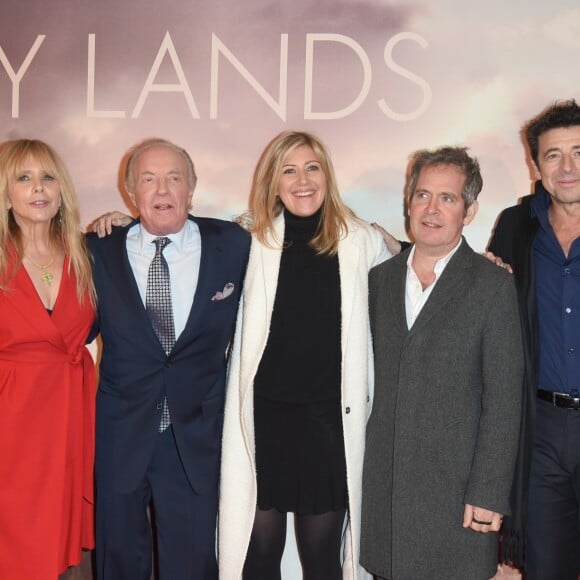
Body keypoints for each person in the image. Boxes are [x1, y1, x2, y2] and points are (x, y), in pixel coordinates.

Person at [217, 130, 390, 580]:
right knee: (258, 554)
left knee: (321, 559)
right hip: (264, 420)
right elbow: (186, 239)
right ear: (272, 182)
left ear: (327, 176)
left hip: (328, 425)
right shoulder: (248, 239)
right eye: (288, 170)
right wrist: (124, 221)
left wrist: (489, 262)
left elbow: (421, 269)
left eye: (312, 167)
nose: (302, 180)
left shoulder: (361, 240)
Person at [86, 138, 250, 580]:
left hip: (195, 437)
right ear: (131, 192)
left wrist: (383, 240)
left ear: (192, 189)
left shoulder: (233, 245)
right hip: (121, 434)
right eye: (149, 180)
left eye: (174, 178)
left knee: (192, 566)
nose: (162, 191)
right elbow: (74, 330)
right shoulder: (97, 251)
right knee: (117, 563)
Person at [360, 146, 524, 580]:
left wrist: (489, 490)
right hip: (386, 496)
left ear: (469, 211)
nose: (431, 209)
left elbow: (504, 399)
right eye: (422, 195)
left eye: (447, 199)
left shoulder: (492, 285)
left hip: (458, 499)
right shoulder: (379, 280)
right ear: (408, 202)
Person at [488, 99, 580, 580]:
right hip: (540, 428)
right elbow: (476, 294)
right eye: (553, 155)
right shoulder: (515, 227)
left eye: (579, 151)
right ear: (535, 165)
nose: (567, 167)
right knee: (546, 569)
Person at [0, 139, 96, 579]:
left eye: (48, 177)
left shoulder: (89, 253)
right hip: (11, 420)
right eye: (24, 178)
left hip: (70, 416)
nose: (38, 188)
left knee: (58, 545)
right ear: (5, 193)